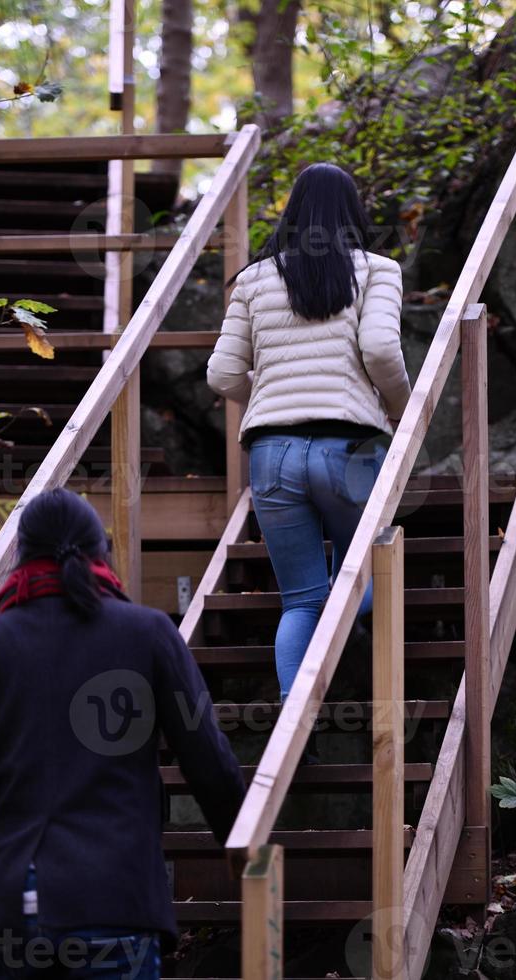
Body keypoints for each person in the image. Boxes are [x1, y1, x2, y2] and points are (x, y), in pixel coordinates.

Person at [0, 488, 246, 979]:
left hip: (12, 903)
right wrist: (240, 842)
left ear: (20, 558)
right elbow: (205, 753)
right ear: (99, 552)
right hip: (113, 896)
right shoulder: (148, 633)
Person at [207, 161, 411, 713]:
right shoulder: (377, 270)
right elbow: (381, 352)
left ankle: (294, 730)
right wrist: (402, 408)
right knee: (367, 572)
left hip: (272, 453)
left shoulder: (253, 279)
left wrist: (272, 400)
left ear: (291, 212)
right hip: (350, 448)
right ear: (353, 213)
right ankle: (340, 625)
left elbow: (223, 374)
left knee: (299, 601)